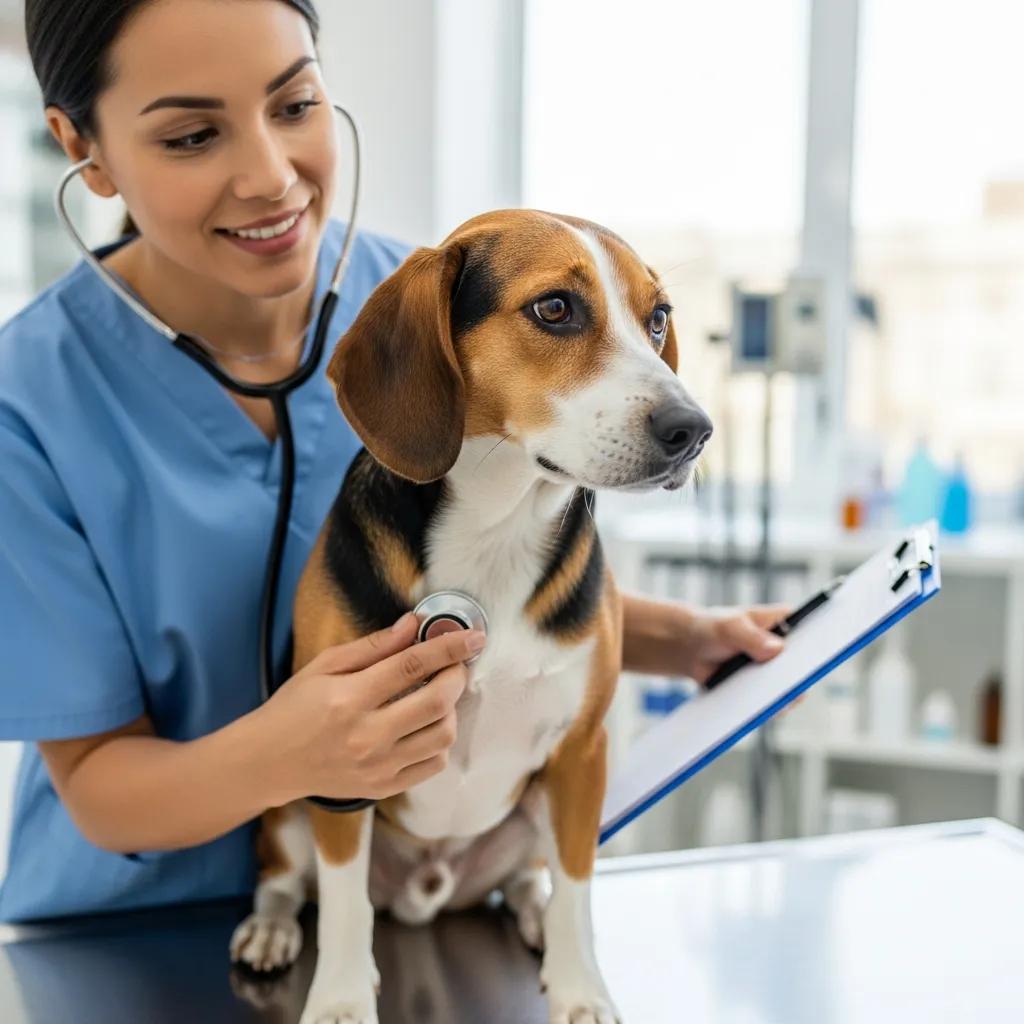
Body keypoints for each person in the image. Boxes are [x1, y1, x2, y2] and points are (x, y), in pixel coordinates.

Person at [0, 0, 788, 924]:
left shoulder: (430, 310)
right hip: (135, 925)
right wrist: (296, 754)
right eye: (192, 135)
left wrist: (676, 638)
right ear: (80, 147)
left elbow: (472, 573)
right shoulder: (30, 402)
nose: (269, 175)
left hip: (404, 902)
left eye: (293, 105)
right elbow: (96, 782)